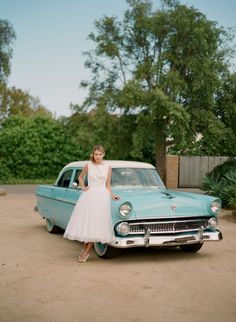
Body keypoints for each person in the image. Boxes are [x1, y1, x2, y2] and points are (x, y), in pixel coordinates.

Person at [63, 145, 120, 263]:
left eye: (100, 154)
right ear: (93, 154)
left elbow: (108, 185)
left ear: (103, 155)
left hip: (102, 196)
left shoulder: (108, 167)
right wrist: (83, 187)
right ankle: (85, 251)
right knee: (89, 224)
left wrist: (112, 195)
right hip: (90, 195)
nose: (98, 156)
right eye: (96, 154)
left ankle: (86, 252)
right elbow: (80, 177)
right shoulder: (88, 165)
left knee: (97, 224)